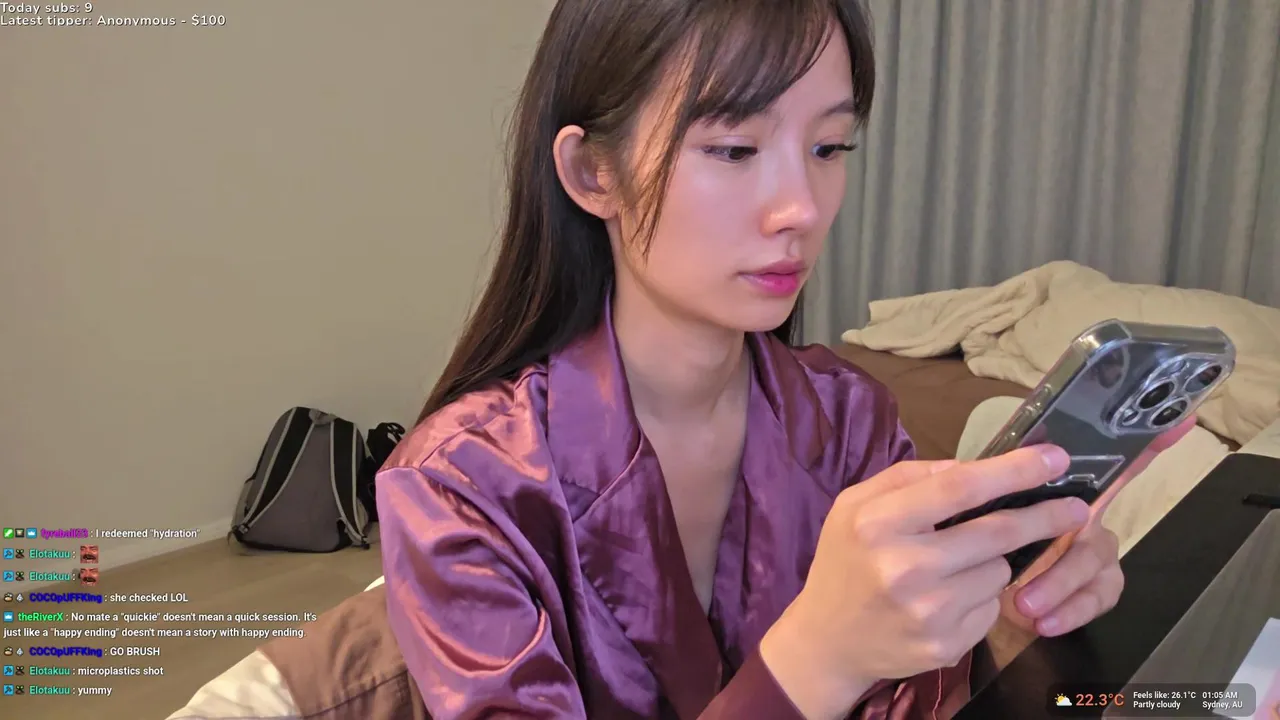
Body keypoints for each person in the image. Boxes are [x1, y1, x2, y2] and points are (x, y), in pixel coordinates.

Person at [376, 1, 1192, 718]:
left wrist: (1005, 620)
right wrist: (816, 660)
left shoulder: (849, 422)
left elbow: (913, 695)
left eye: (830, 147)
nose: (801, 207)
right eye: (734, 149)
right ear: (595, 173)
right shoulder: (462, 486)